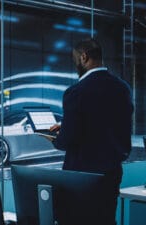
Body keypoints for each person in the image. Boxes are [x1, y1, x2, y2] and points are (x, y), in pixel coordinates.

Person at [50, 38, 134, 225]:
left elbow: (66, 141)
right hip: (111, 177)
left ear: (84, 57)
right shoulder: (123, 89)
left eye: (75, 60)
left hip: (81, 181)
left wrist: (56, 137)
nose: (75, 65)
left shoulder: (76, 92)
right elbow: (106, 123)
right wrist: (69, 123)